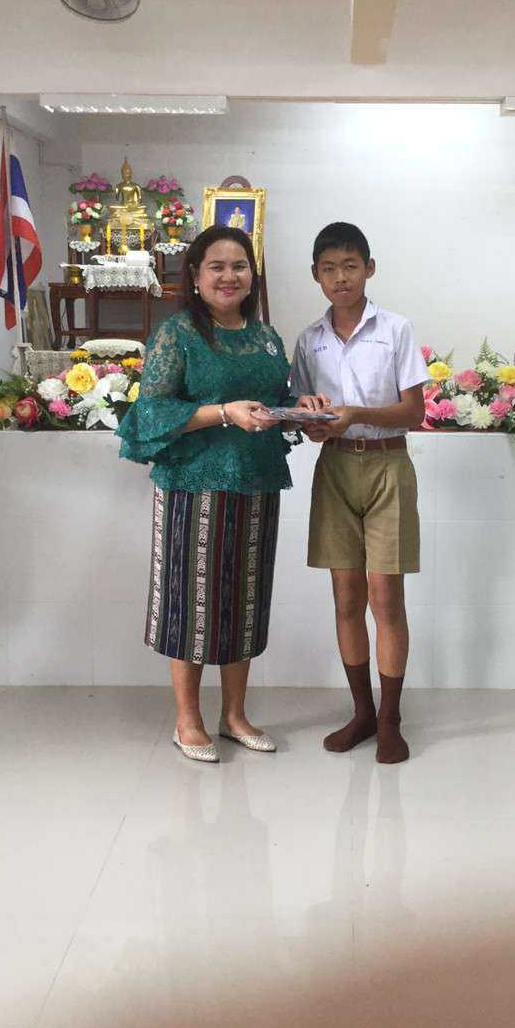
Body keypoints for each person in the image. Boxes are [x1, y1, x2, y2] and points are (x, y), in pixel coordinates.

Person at [117, 225, 310, 763]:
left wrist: (299, 405)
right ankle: (188, 719)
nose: (229, 276)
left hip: (256, 481)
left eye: (239, 266)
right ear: (196, 277)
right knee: (193, 603)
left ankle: (235, 715)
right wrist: (223, 412)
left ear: (253, 275)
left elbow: (272, 397)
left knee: (244, 600)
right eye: (217, 267)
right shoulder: (177, 333)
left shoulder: (265, 335)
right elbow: (150, 411)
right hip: (192, 485)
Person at [291, 223, 429, 764]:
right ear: (316, 275)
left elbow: (414, 412)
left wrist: (356, 414)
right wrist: (312, 420)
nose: (340, 277)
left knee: (385, 598)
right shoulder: (310, 340)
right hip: (335, 469)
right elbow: (307, 417)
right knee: (346, 599)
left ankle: (391, 719)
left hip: (388, 465)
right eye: (329, 268)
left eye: (350, 265)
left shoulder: (395, 330)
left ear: (370, 268)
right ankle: (362, 712)